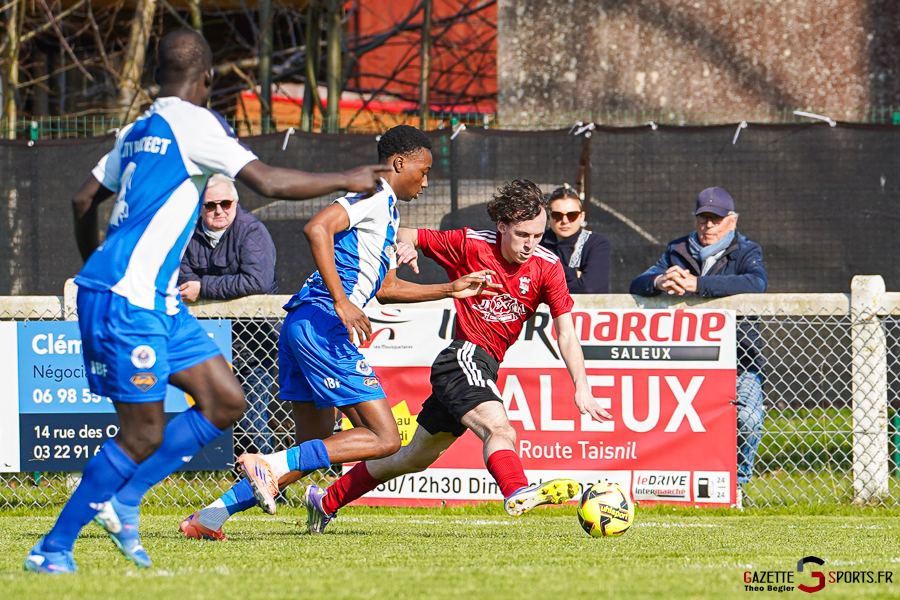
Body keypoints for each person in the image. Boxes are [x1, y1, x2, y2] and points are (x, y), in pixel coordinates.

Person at [24, 29, 390, 574]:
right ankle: (53, 547)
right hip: (129, 299)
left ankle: (123, 501)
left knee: (225, 401)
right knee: (143, 432)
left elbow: (84, 198)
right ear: (209, 78)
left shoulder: (137, 128)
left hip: (150, 298)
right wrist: (348, 177)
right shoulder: (196, 124)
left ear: (154, 78)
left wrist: (94, 264)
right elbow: (265, 180)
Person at [179, 125, 500, 541]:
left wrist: (449, 288)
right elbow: (317, 229)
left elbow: (385, 288)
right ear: (399, 163)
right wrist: (341, 300)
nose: (426, 180)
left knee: (312, 448)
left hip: (303, 324)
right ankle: (269, 464)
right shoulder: (372, 195)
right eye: (423, 170)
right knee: (385, 438)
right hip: (323, 325)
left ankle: (210, 518)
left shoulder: (387, 210)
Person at [300, 179, 614, 534]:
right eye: (522, 234)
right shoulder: (470, 242)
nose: (530, 245)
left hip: (482, 366)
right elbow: (400, 231)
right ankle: (517, 489)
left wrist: (582, 386)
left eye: (538, 235)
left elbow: (566, 332)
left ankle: (324, 500)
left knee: (410, 459)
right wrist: (401, 248)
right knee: (499, 428)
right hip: (463, 357)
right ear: (502, 226)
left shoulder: (547, 266)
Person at [629, 187, 767, 505]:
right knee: (665, 420)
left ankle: (737, 484)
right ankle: (674, 486)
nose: (709, 226)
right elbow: (639, 281)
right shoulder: (677, 249)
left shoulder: (747, 250)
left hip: (738, 355)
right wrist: (660, 281)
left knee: (747, 420)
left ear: (731, 221)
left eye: (716, 219)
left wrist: (698, 285)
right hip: (686, 356)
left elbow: (756, 283)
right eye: (703, 218)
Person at [178, 174, 279, 454]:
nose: (219, 211)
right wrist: (203, 287)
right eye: (210, 205)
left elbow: (256, 282)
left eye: (225, 203)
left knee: (253, 420)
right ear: (201, 207)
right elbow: (183, 280)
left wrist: (204, 286)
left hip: (253, 342)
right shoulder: (187, 234)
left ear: (236, 202)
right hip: (207, 342)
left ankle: (273, 485)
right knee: (216, 418)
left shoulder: (252, 231)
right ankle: (238, 486)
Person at [539, 185, 611, 294]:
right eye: (557, 216)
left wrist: (548, 279)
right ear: (548, 217)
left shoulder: (597, 243)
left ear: (582, 217)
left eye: (572, 215)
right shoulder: (537, 243)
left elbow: (589, 288)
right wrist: (573, 274)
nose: (565, 221)